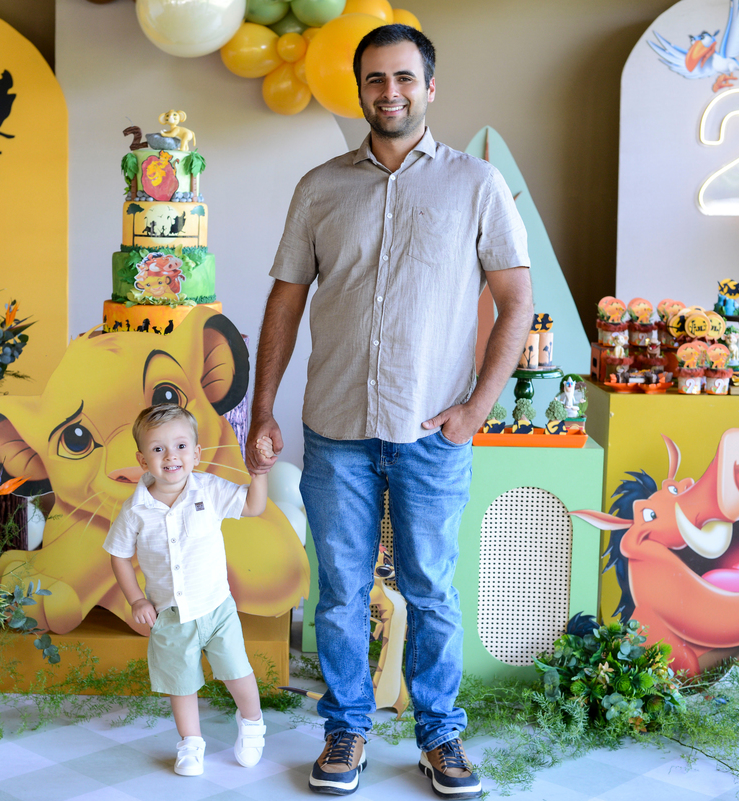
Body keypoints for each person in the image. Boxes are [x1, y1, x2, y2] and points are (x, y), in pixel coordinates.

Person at [246, 23, 533, 800]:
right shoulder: (320, 187)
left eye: (404, 77)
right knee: (339, 591)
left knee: (431, 589)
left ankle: (439, 734)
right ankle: (347, 727)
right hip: (335, 429)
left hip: (430, 432)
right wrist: (262, 408)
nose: (390, 92)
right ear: (360, 89)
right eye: (375, 78)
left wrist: (476, 409)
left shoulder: (476, 184)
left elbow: (516, 300)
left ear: (430, 87)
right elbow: (284, 303)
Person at [104, 403, 273, 777]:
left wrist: (259, 472)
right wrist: (136, 599)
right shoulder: (135, 509)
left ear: (196, 454)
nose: (171, 456)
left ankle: (252, 722)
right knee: (181, 685)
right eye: (158, 449)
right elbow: (118, 554)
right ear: (142, 459)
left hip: (216, 608)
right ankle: (191, 743)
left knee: (236, 672)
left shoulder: (209, 490)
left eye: (180, 446)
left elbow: (253, 505)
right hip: (170, 615)